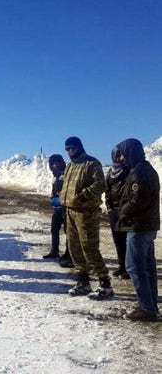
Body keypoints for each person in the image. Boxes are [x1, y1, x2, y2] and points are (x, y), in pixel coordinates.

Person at [59, 137, 111, 299]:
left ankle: (105, 283)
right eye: (67, 149)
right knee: (74, 247)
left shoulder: (91, 164)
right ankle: (83, 281)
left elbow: (100, 185)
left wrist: (82, 196)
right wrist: (62, 196)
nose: (70, 152)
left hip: (86, 213)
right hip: (70, 211)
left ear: (79, 147)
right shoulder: (70, 166)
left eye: (72, 148)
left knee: (89, 247)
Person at [114, 138, 160, 322]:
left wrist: (122, 211)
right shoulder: (144, 169)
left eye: (124, 153)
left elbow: (139, 198)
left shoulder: (140, 171)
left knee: (134, 267)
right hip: (146, 225)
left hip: (139, 226)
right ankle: (150, 305)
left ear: (132, 152)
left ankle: (146, 307)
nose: (122, 158)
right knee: (147, 268)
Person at [105, 146, 130, 279]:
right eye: (117, 155)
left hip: (124, 210)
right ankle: (121, 265)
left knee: (126, 239)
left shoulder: (128, 170)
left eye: (120, 155)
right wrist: (108, 206)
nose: (119, 157)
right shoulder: (110, 171)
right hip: (113, 211)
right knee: (117, 240)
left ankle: (128, 267)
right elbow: (107, 190)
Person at [43, 154, 71, 267]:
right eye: (53, 163)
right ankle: (55, 251)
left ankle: (69, 254)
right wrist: (52, 198)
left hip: (66, 208)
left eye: (57, 162)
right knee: (54, 229)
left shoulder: (66, 174)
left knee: (68, 231)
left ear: (61, 162)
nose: (55, 165)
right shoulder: (55, 176)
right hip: (57, 208)